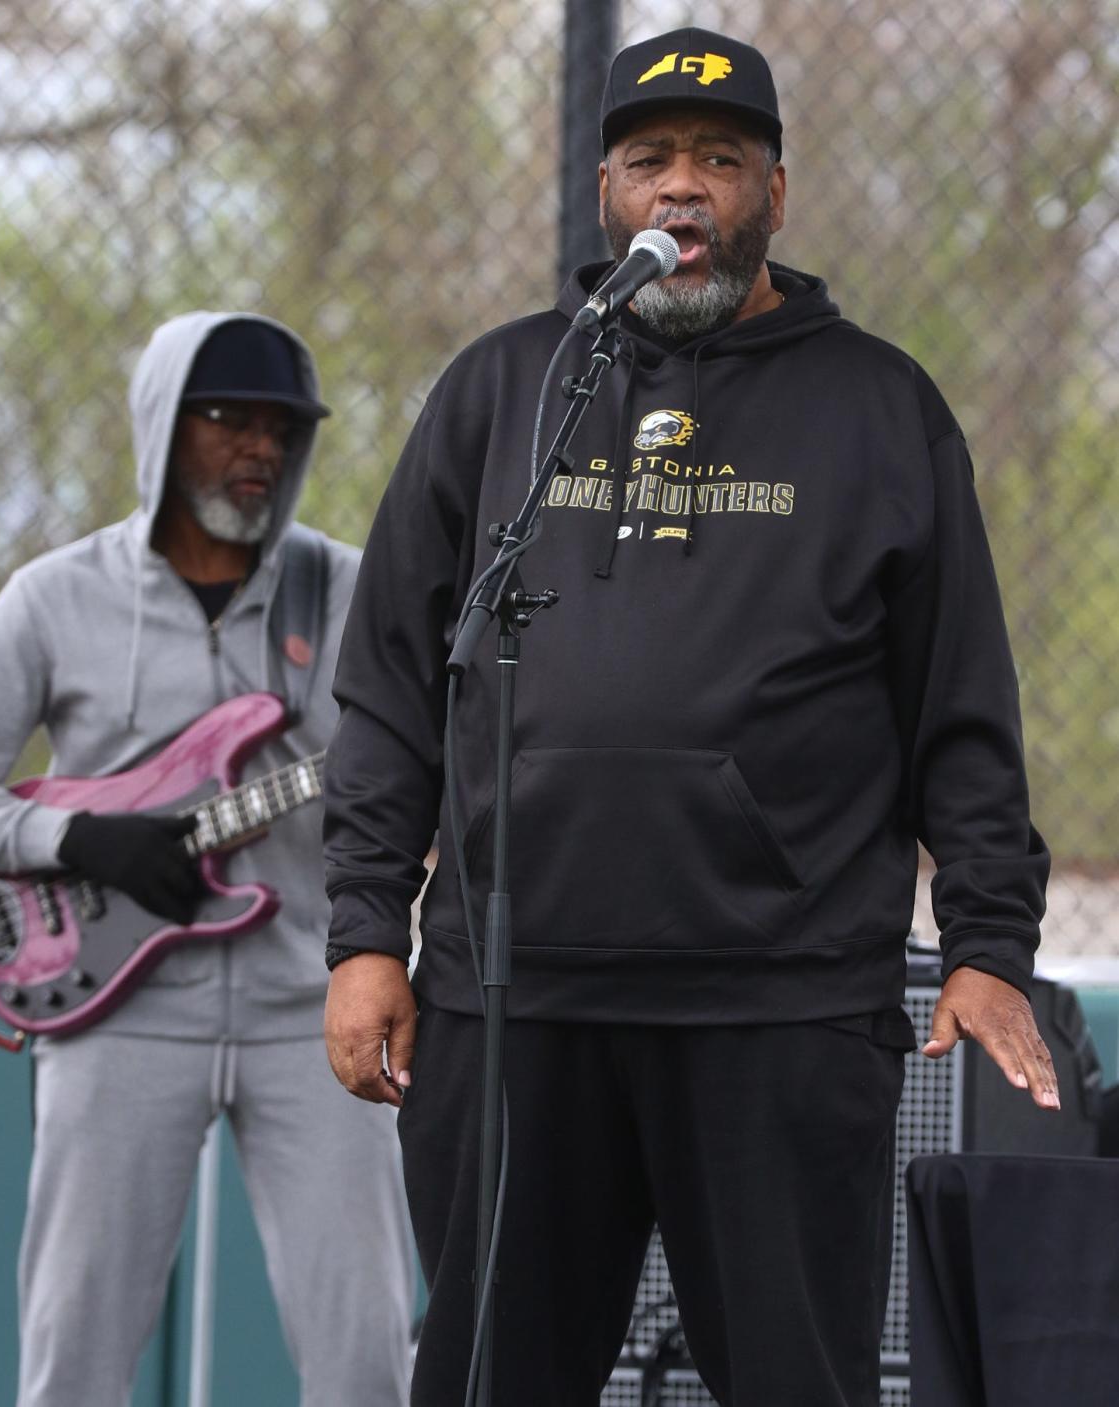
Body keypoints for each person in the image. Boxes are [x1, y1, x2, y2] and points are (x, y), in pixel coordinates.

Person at [319, 27, 1059, 1407]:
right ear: (602, 190)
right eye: (650, 159)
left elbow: (960, 707)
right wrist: (364, 928)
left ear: (774, 192)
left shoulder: (880, 408)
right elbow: (390, 685)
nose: (682, 191)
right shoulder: (502, 389)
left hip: (778, 1006)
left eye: (720, 162)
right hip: (511, 997)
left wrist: (987, 942)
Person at [0, 312, 414, 1407]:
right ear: (162, 427)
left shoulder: (352, 592)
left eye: (280, 427)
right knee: (72, 1359)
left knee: (370, 1359)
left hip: (309, 1021)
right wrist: (75, 838)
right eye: (227, 420)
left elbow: (417, 768)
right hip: (113, 1019)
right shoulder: (55, 597)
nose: (258, 447)